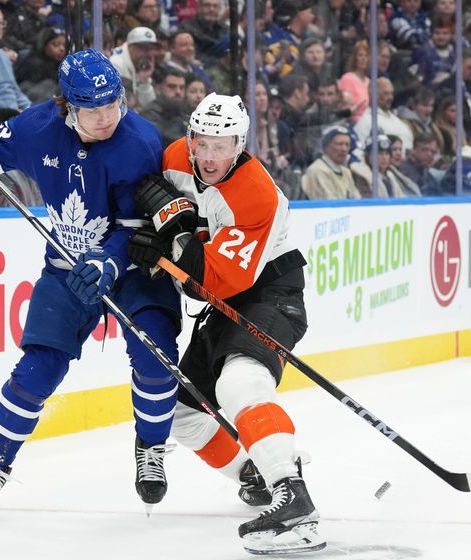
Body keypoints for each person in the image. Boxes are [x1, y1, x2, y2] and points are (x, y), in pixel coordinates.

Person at [0, 49, 182, 513]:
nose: (107, 116)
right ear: (68, 106)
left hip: (134, 271)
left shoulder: (141, 141)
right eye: (94, 109)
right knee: (37, 370)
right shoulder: (37, 127)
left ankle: (150, 448)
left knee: (157, 357)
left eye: (114, 104)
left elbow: (137, 227)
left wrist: (109, 262)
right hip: (65, 268)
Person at [126, 93, 325, 555]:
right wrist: (156, 238)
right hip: (227, 297)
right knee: (177, 410)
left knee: (240, 380)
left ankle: (294, 501)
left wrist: (167, 241)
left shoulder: (256, 195)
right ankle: (254, 473)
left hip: (271, 293)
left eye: (223, 144)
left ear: (240, 144)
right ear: (191, 138)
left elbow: (209, 284)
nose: (210, 155)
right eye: (204, 143)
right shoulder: (175, 158)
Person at [302, 125, 360, 199]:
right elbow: (328, 203)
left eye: (347, 145)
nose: (344, 149)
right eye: (339, 144)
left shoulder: (346, 172)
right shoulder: (316, 170)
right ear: (326, 146)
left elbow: (356, 200)